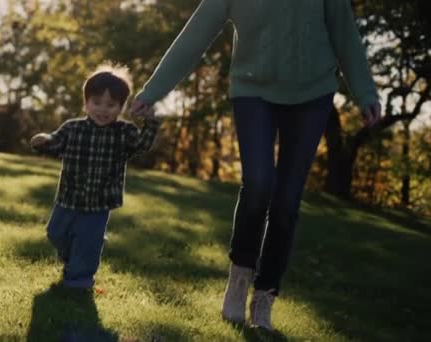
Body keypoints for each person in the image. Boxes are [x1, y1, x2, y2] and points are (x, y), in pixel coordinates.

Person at [130, 0, 381, 331]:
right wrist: (154, 90)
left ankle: (265, 294)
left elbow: (345, 36)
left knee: (287, 200)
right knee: (259, 183)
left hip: (312, 95)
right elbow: (195, 35)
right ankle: (240, 277)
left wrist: (364, 92)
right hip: (253, 90)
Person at [31, 63, 160, 290]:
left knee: (88, 241)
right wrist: (42, 141)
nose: (103, 109)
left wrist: (150, 122)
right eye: (97, 102)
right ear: (86, 103)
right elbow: (54, 143)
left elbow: (142, 144)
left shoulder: (124, 133)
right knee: (55, 233)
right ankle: (71, 256)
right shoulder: (73, 128)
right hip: (69, 196)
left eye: (111, 105)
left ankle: (78, 281)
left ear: (121, 107)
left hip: (100, 201)